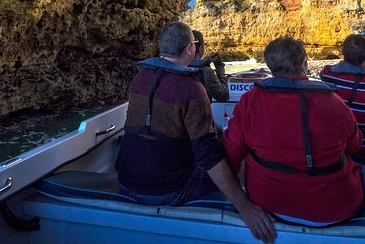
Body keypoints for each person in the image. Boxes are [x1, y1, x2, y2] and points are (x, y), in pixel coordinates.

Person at [115, 21, 276, 242]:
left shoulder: (140, 78)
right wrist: (244, 205)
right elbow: (208, 154)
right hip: (165, 191)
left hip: (126, 182)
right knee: (229, 165)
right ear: (190, 49)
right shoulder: (190, 88)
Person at [222, 36, 364, 226]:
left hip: (270, 203)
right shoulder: (334, 102)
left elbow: (231, 152)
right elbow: (355, 146)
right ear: (304, 65)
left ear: (270, 67)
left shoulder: (250, 101)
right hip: (335, 207)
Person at [319, 32, 365, 162]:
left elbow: (339, 68)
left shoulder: (327, 74)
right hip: (364, 148)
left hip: (334, 146)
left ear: (343, 52)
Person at [189, 30, 229, 102]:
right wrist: (221, 74)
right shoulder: (206, 72)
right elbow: (223, 96)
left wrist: (204, 62)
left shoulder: (179, 65)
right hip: (200, 111)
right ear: (201, 48)